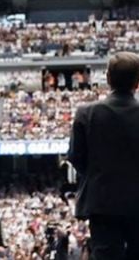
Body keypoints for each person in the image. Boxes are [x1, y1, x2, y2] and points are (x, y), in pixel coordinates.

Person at [68, 51, 139, 260]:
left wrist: (98, 175)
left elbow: (75, 157)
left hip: (102, 202)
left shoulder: (86, 113)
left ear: (108, 78)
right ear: (137, 82)